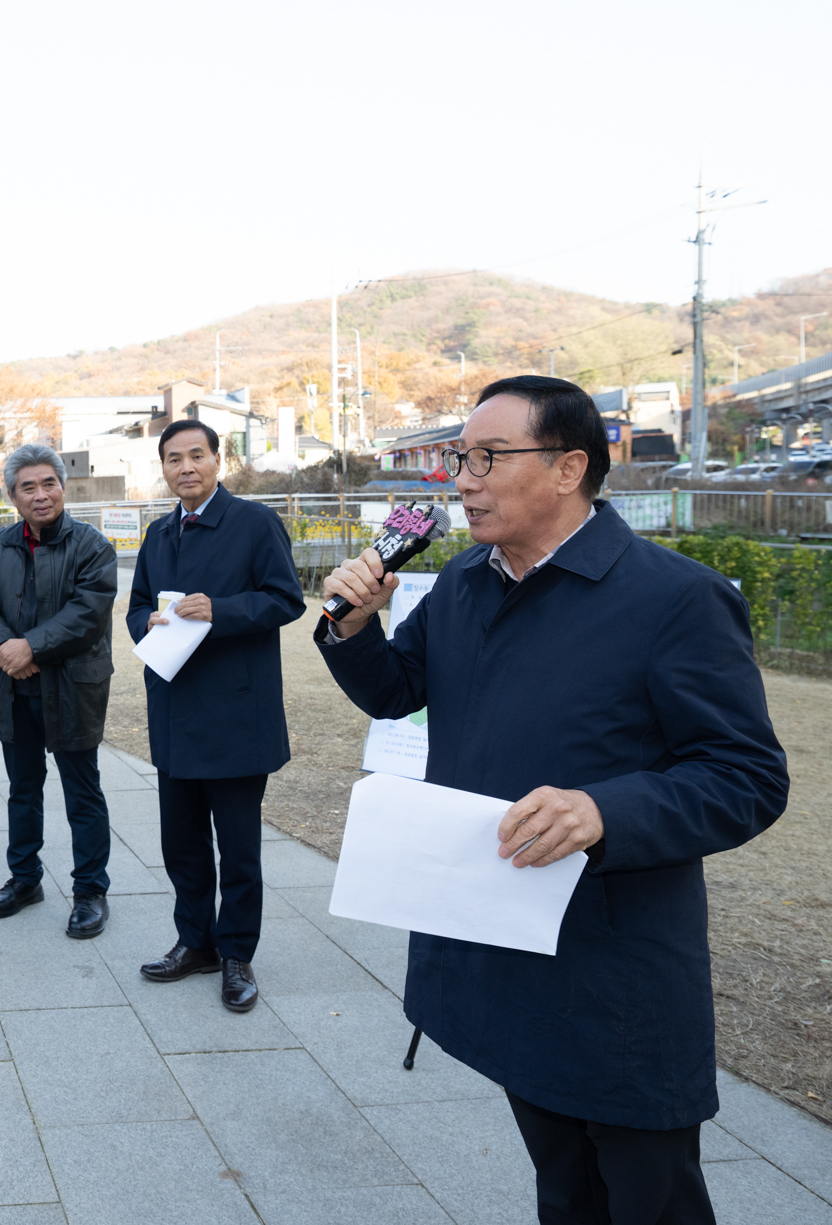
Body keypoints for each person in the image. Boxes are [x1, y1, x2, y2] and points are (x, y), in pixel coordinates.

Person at [317, 376, 787, 1223]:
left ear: (570, 467)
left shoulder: (676, 598)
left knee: (652, 1197)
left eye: (488, 457)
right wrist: (356, 628)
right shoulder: (464, 582)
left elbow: (746, 776)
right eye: (460, 458)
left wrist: (606, 812)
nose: (463, 478)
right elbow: (399, 690)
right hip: (501, 941)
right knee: (564, 1189)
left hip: (617, 967)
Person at [124, 419, 304, 1012]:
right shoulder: (158, 535)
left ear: (217, 459)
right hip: (174, 711)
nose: (185, 468)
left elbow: (286, 599)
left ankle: (236, 955)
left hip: (235, 714)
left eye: (196, 456)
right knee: (182, 845)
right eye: (173, 459)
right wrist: (147, 620)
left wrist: (219, 610)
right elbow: (136, 610)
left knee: (239, 850)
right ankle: (194, 942)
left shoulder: (254, 523)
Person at [0, 443, 118, 937]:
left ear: (63, 487)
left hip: (72, 686)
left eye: (49, 483)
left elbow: (88, 613)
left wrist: (29, 646)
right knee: (23, 789)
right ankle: (25, 878)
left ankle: (90, 890)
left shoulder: (92, 545)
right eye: (28, 487)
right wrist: (5, 649)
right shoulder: (1, 545)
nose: (41, 494)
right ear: (12, 496)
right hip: (14, 688)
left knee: (82, 792)